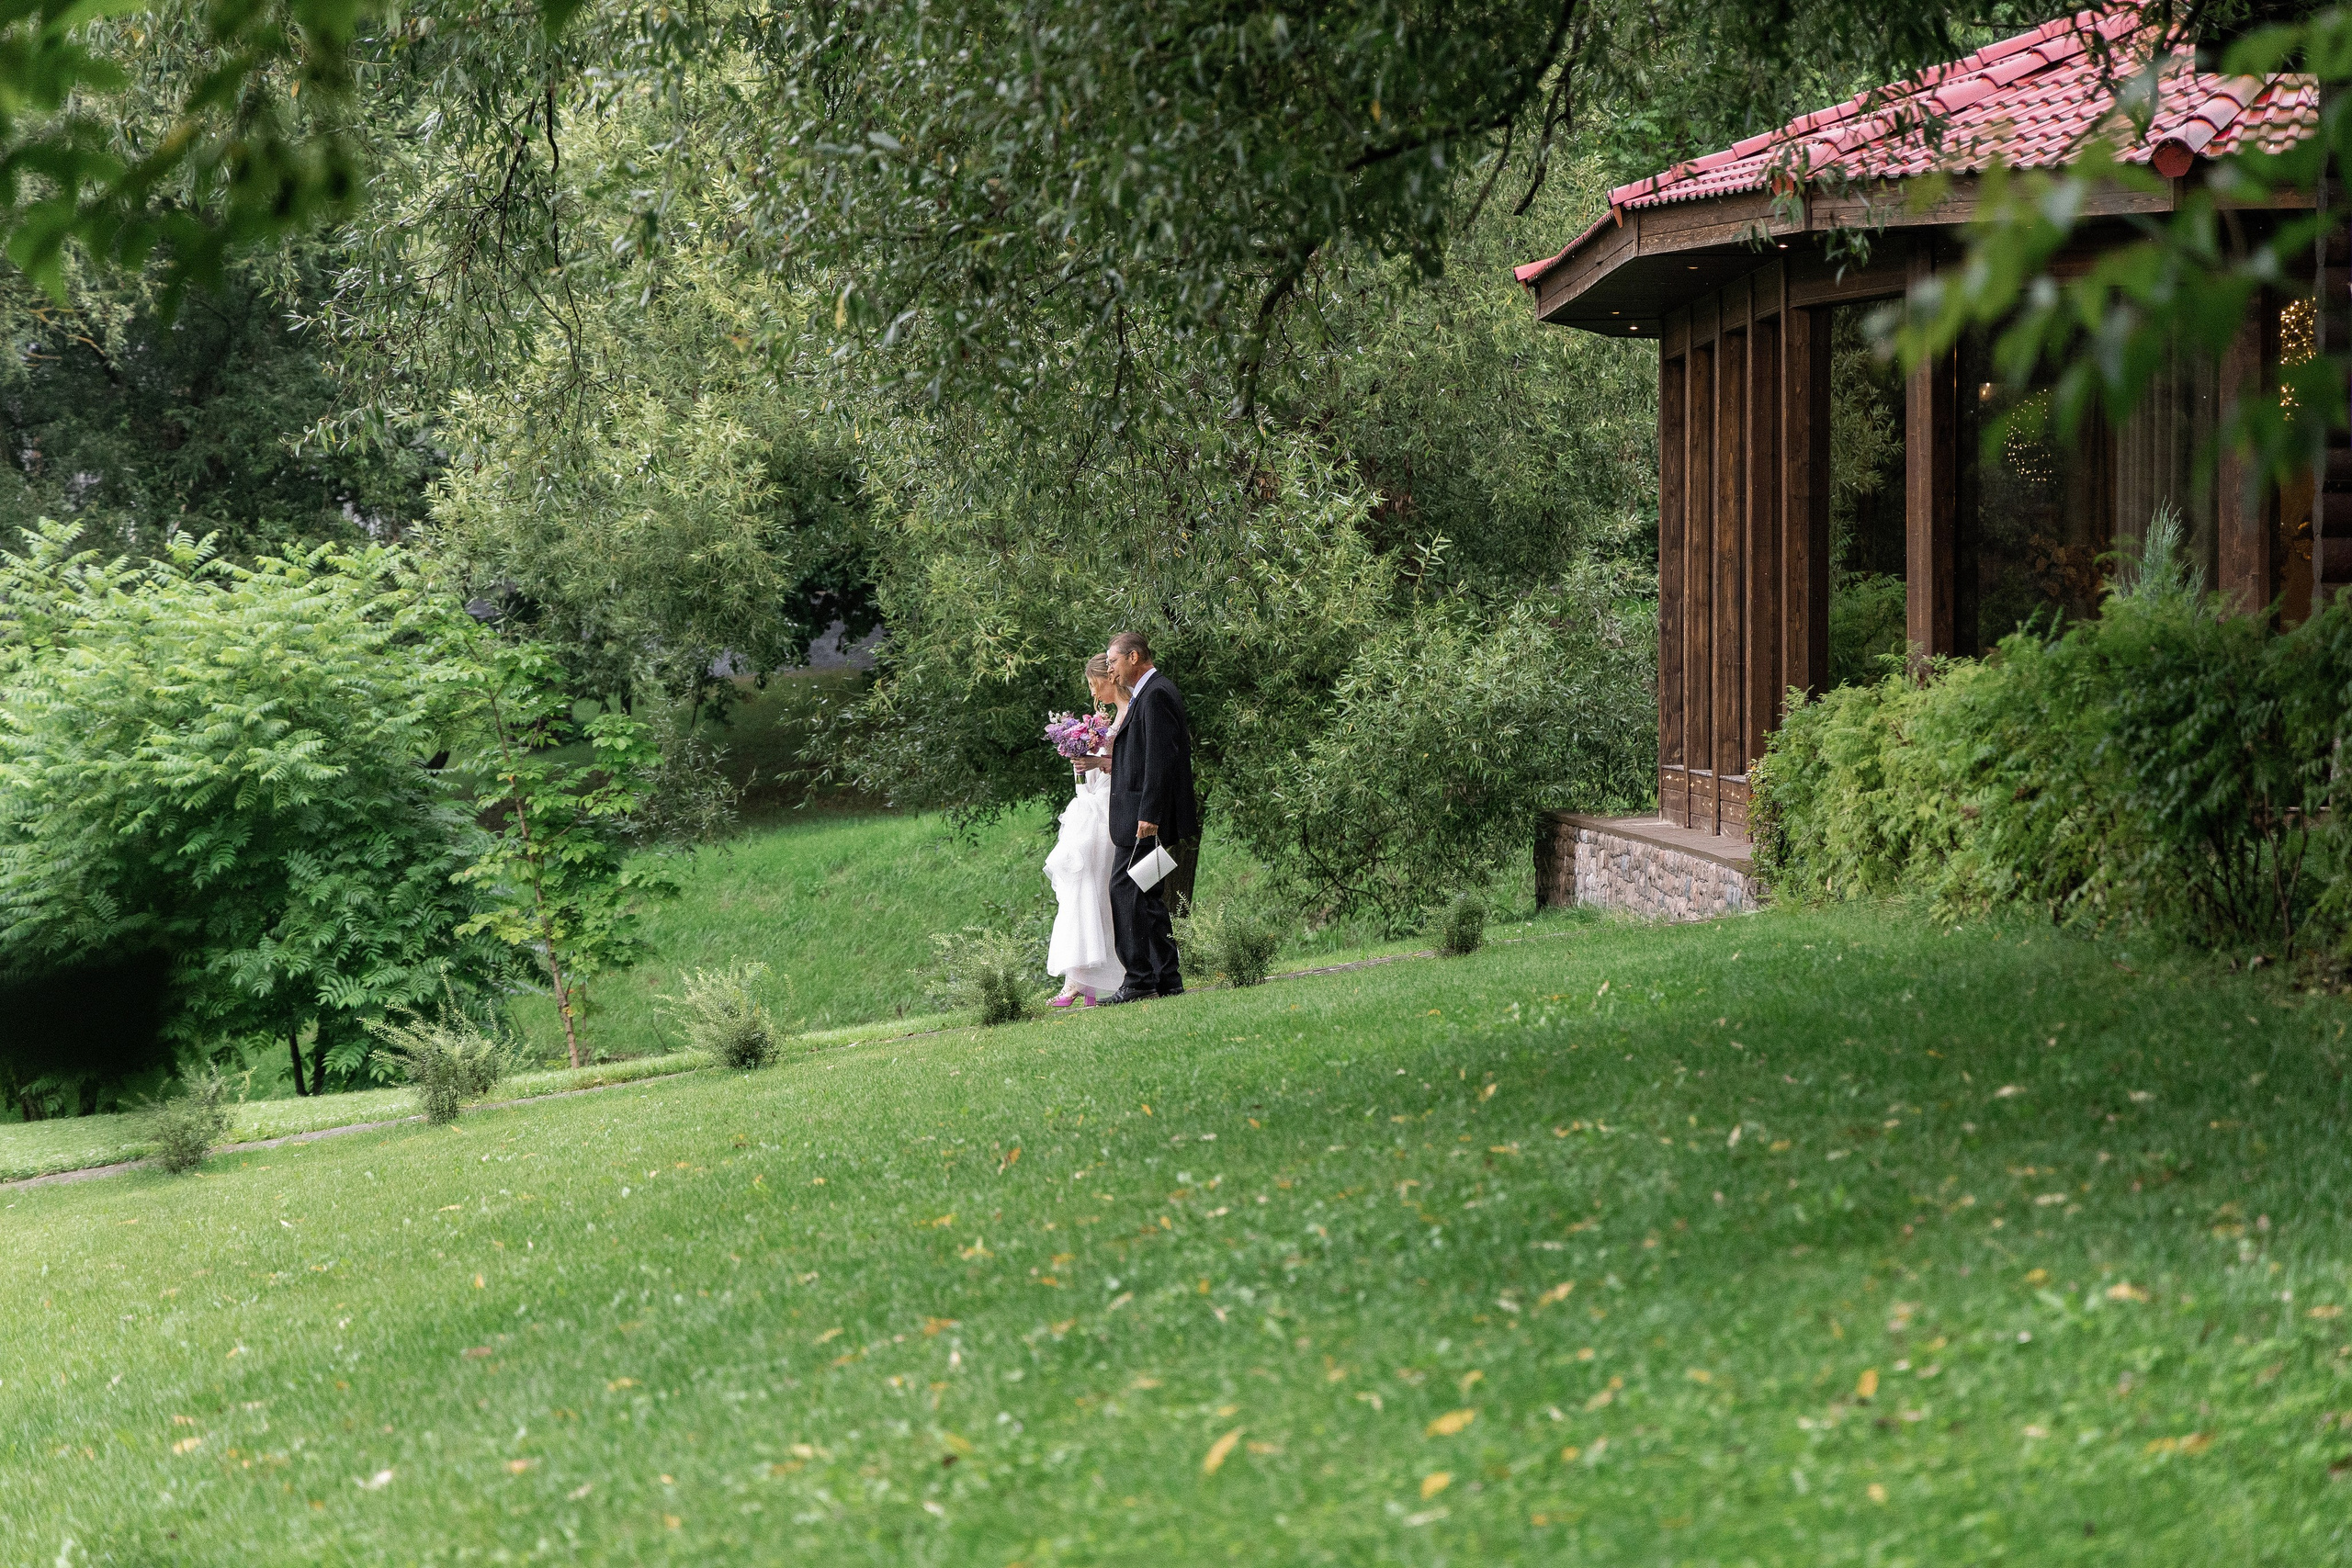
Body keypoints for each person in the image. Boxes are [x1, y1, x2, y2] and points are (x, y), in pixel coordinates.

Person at [1085, 630, 1197, 1003]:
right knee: (1146, 896)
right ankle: (1167, 979)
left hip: (1143, 820)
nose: (1110, 670)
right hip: (1137, 817)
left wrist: (1149, 816)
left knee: (1127, 892)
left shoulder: (1156, 694)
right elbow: (1138, 757)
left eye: (1113, 662)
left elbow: (1160, 760)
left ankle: (1139, 980)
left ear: (1134, 658)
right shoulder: (1146, 695)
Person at [1043, 655, 1128, 1008]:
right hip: (1090, 806)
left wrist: (1096, 759)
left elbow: (1126, 764)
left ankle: (1086, 982)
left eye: (1096, 683)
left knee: (1095, 890)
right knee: (1080, 888)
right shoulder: (1106, 719)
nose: (1093, 691)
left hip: (1108, 810)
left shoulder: (1128, 712)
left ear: (1110, 678)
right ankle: (1080, 981)